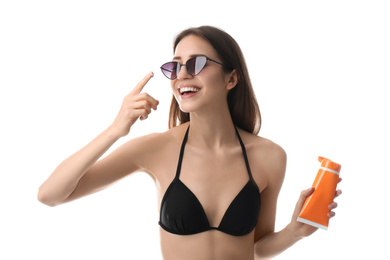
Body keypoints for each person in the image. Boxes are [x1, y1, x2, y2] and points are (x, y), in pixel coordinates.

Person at [38, 26, 341, 260]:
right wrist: (116, 129)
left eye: (196, 63)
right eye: (175, 66)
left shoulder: (270, 156)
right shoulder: (156, 149)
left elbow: (257, 249)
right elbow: (51, 195)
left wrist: (295, 232)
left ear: (231, 79)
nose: (182, 74)